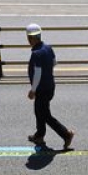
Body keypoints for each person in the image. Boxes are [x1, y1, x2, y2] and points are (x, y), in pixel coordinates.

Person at [26, 23, 75, 151]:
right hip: (50, 86)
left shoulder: (36, 53)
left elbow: (37, 73)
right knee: (39, 111)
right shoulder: (48, 48)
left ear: (30, 39)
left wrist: (33, 90)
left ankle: (66, 134)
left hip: (41, 89)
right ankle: (39, 135)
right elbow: (54, 63)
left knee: (45, 115)